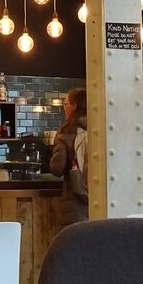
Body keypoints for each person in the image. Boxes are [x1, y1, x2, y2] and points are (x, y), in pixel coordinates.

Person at [49, 87, 88, 225]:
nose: (64, 108)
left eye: (66, 104)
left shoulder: (66, 132)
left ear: (74, 106)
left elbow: (57, 169)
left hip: (74, 204)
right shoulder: (99, 128)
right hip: (99, 201)